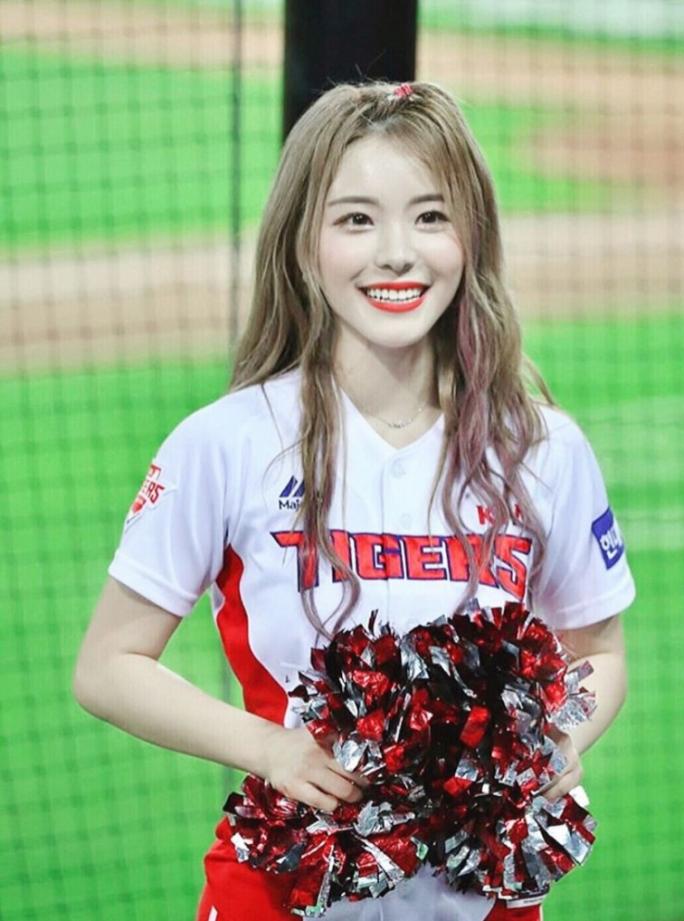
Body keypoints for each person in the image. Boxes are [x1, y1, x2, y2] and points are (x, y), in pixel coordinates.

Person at [73, 80, 635, 921]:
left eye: (431, 216)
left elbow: (599, 651)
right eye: (357, 220)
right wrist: (270, 747)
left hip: (486, 899)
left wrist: (554, 740)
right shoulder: (226, 442)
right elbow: (108, 665)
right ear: (304, 241)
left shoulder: (542, 447)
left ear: (472, 235)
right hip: (277, 892)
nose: (397, 254)